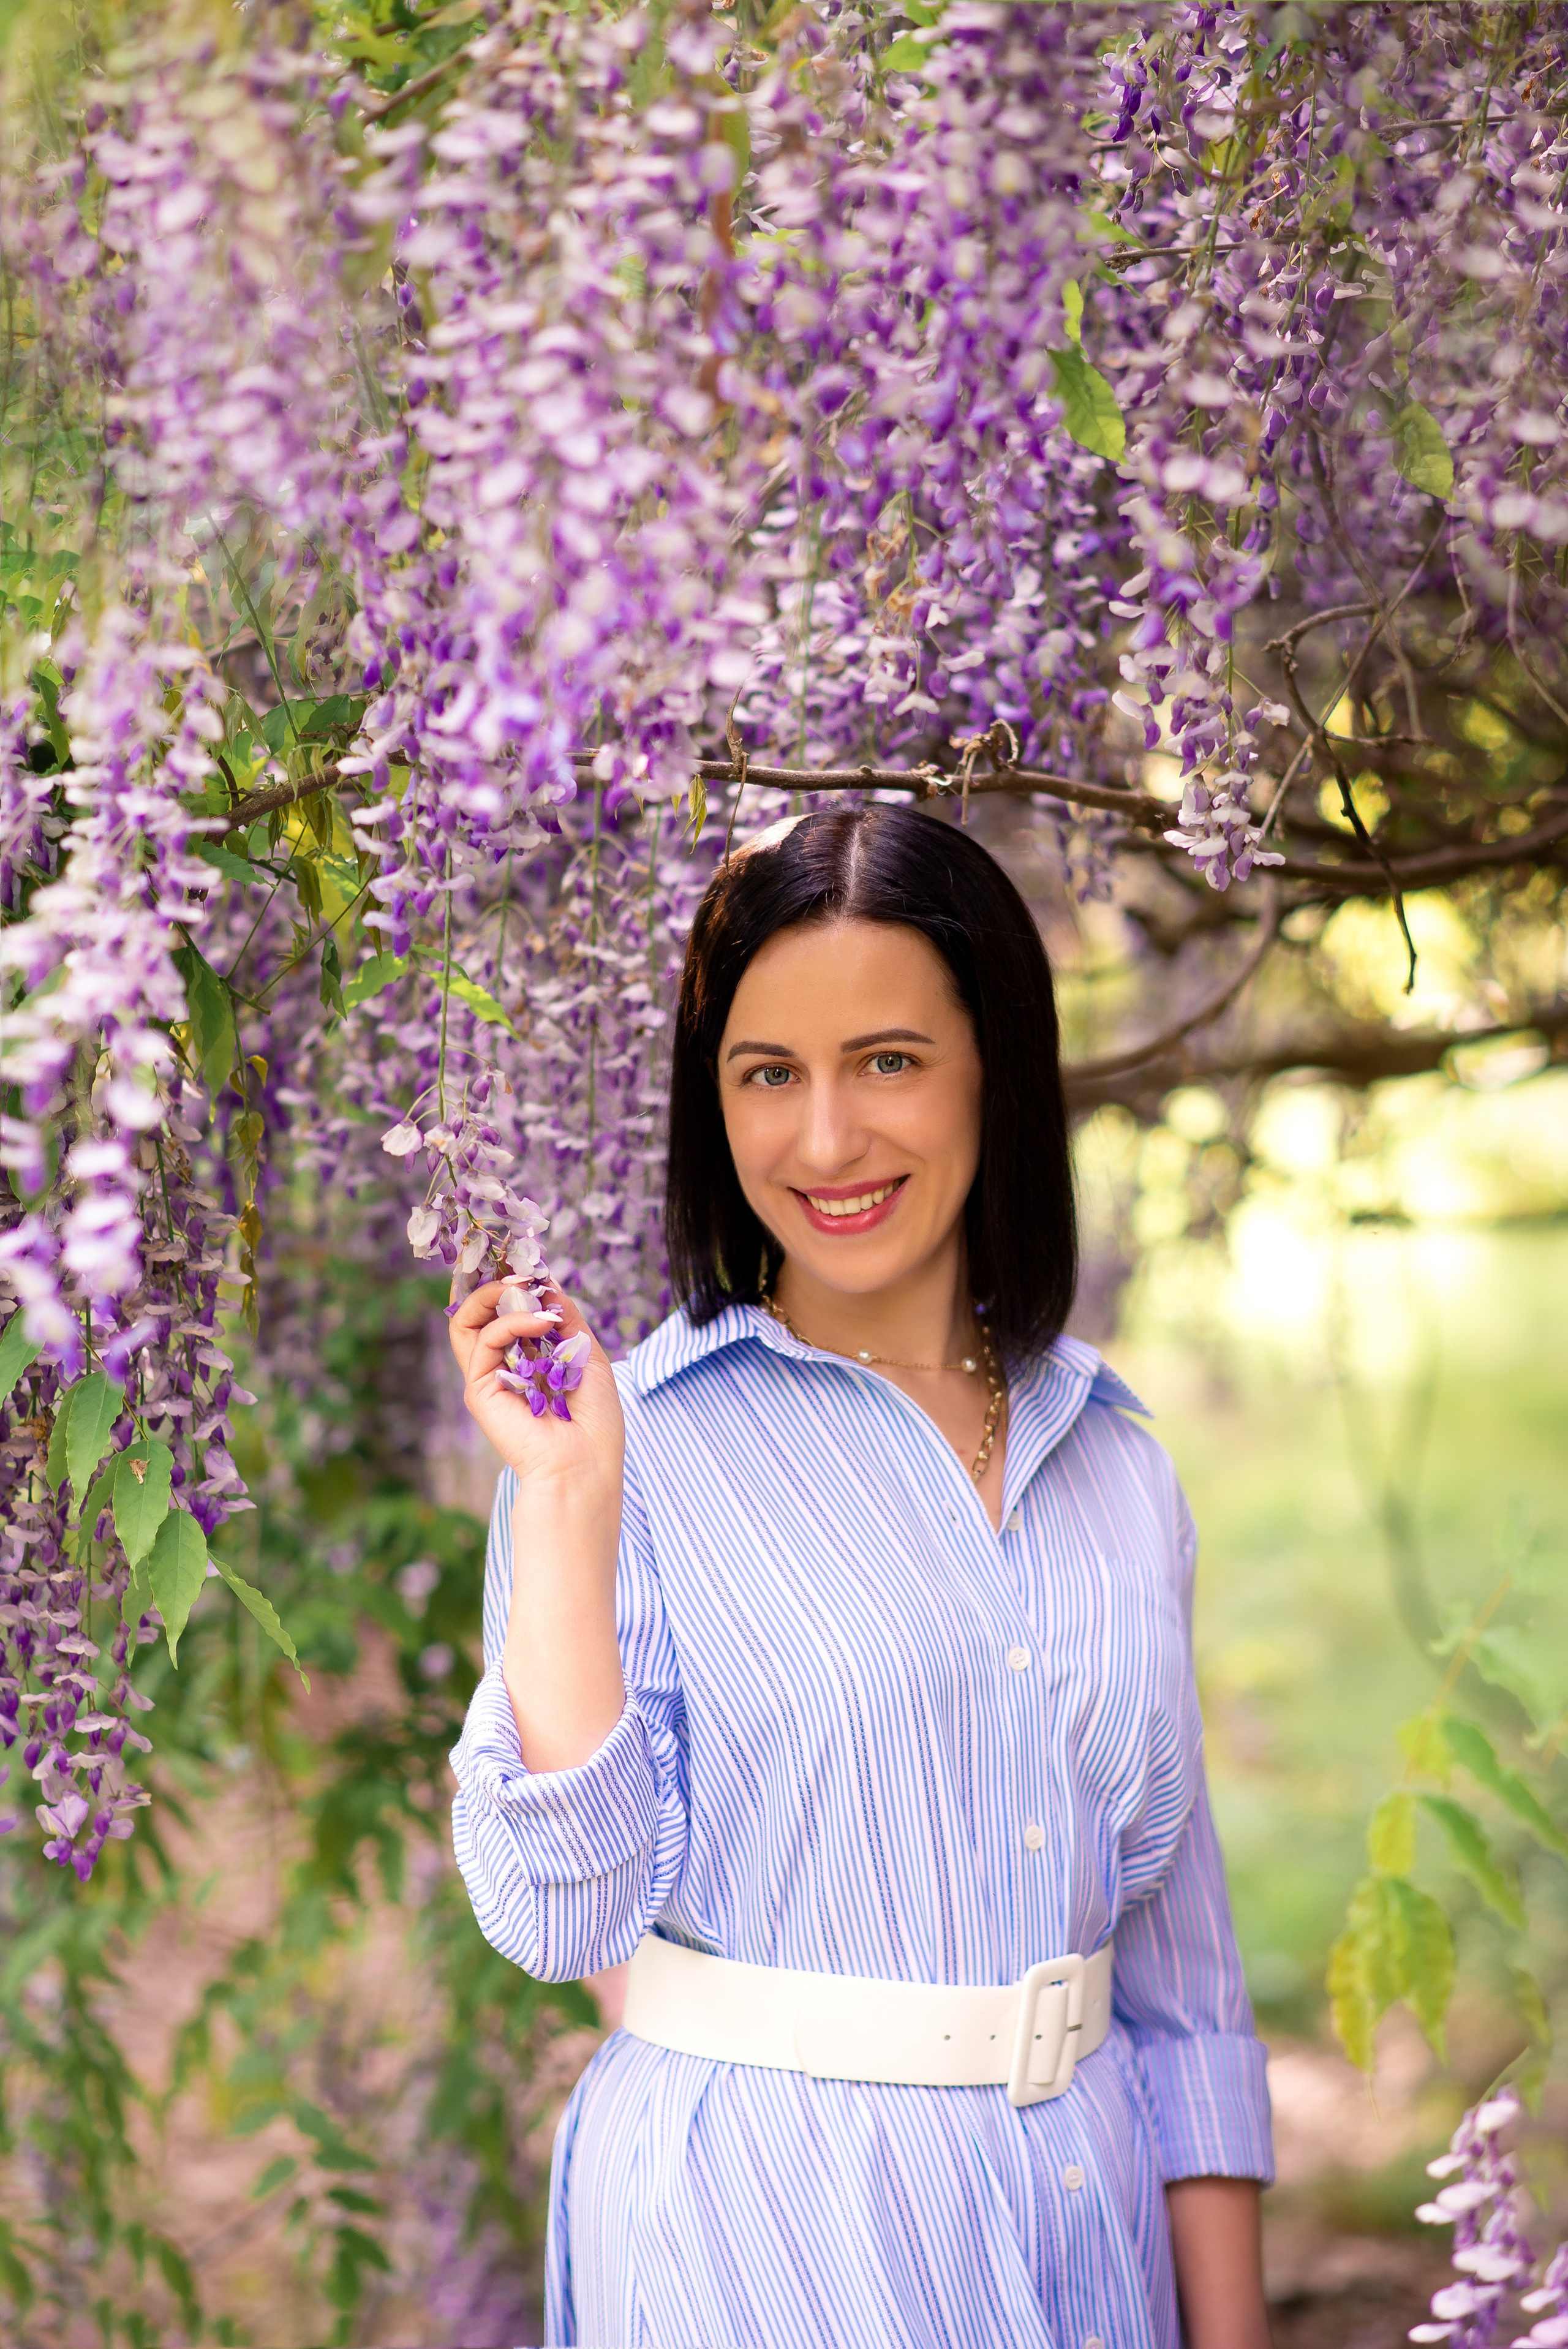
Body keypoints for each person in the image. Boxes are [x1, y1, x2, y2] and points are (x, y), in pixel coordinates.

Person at [448, 804, 1275, 2349]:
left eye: (886, 1060)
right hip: (765, 2245)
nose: (824, 1141)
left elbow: (1185, 2001)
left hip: (1089, 2235)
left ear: (992, 1069)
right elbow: (566, 1918)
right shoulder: (626, 1454)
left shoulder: (1115, 1458)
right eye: (768, 1074)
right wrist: (561, 1496)